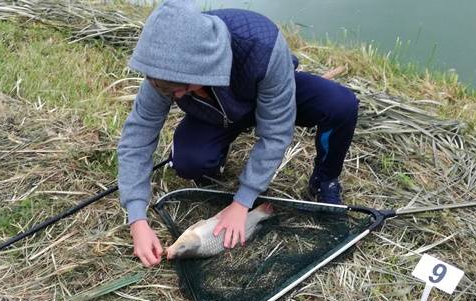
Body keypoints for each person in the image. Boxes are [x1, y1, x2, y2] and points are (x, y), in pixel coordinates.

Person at [117, 0, 359, 267]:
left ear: (202, 66)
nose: (175, 96)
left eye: (181, 88)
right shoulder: (162, 68)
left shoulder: (261, 46)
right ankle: (215, 157)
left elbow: (276, 132)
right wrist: (137, 219)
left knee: (341, 105)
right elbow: (138, 136)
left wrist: (243, 202)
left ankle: (324, 180)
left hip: (265, 93)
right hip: (215, 113)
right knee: (190, 161)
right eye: (168, 90)